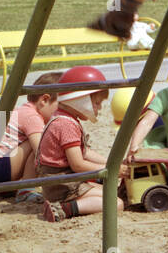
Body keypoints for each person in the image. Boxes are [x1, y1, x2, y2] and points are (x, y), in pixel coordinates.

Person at [35, 69, 121, 222]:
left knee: (112, 191)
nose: (99, 108)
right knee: (116, 203)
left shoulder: (65, 118)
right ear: (79, 99)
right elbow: (78, 165)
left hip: (62, 180)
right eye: (96, 103)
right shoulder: (65, 124)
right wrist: (111, 170)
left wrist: (111, 164)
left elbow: (84, 152)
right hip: (62, 185)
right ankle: (63, 209)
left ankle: (68, 203)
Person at [0, 70, 62, 204]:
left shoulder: (20, 110)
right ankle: (26, 190)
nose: (61, 112)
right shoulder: (31, 116)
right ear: (44, 100)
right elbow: (42, 152)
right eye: (61, 106)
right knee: (42, 145)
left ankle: (16, 186)